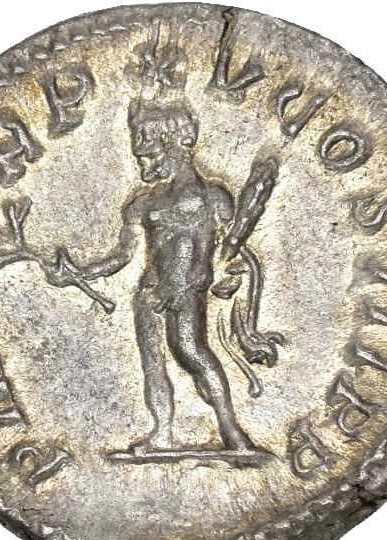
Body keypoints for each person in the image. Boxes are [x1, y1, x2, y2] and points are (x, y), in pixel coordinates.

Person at [76, 101, 258, 453]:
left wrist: (221, 281)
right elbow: (122, 256)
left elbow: (234, 254)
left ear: (172, 143)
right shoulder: (142, 204)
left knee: (191, 352)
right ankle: (161, 432)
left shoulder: (214, 197)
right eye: (140, 157)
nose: (143, 164)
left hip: (188, 291)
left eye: (149, 154)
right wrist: (82, 271)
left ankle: (231, 430)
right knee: (153, 364)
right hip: (150, 292)